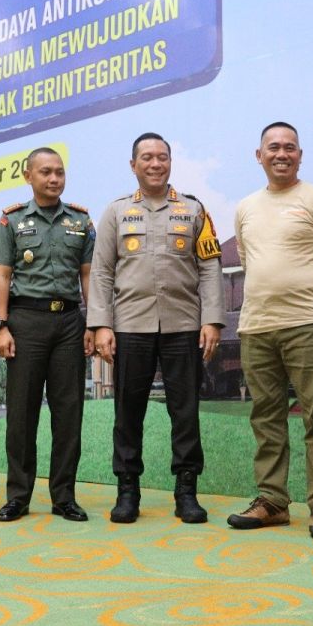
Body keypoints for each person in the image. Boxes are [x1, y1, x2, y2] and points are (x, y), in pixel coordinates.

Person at [88, 132, 223, 524]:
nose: (155, 163)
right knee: (127, 413)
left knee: (186, 412)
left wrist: (212, 319)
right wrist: (101, 325)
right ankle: (127, 490)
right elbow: (101, 272)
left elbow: (211, 268)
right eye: (147, 157)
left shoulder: (194, 210)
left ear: (170, 162)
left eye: (162, 157)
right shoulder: (116, 213)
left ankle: (186, 491)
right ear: (134, 165)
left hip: (183, 325)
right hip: (130, 325)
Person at [227, 122, 313, 540]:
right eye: (273, 147)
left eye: (290, 148)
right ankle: (272, 502)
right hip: (256, 325)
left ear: (300, 155)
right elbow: (249, 259)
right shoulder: (245, 207)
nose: (282, 153)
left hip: (308, 324)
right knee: (266, 416)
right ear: (258, 155)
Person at [0, 147, 95, 523]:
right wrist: (0, 327)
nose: (54, 179)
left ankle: (64, 496)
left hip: (69, 323)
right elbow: (1, 274)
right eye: (46, 172)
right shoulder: (12, 221)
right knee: (21, 414)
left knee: (69, 414)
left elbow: (88, 275)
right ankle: (18, 496)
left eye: (60, 172)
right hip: (26, 321)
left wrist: (94, 324)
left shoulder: (80, 221)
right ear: (28, 175)